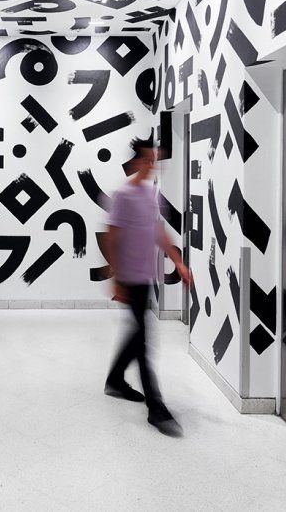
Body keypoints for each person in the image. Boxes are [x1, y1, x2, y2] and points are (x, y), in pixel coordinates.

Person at [102, 138, 193, 437]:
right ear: (138, 162)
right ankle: (156, 408)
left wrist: (177, 261)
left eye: (156, 160)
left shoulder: (151, 194)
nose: (154, 164)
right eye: (149, 160)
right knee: (143, 342)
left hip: (145, 276)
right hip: (129, 276)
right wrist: (116, 279)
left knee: (137, 333)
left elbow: (158, 231)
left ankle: (115, 380)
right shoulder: (124, 194)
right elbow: (113, 236)